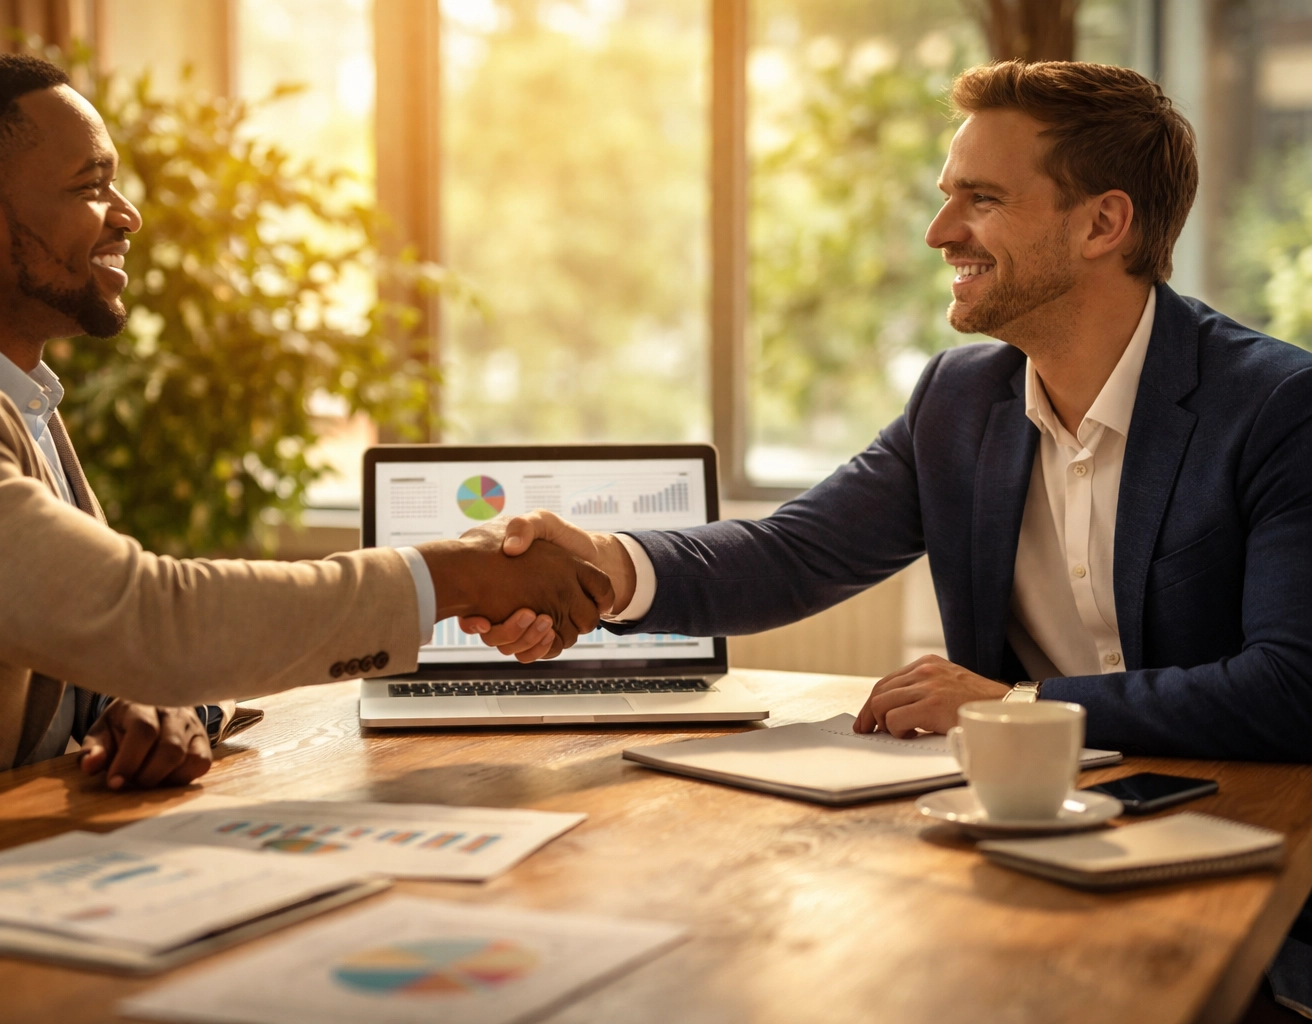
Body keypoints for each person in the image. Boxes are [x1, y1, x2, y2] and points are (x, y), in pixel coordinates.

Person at [467, 59, 1312, 1017]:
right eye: (948, 196)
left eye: (981, 199)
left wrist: (1014, 705)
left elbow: (1293, 688)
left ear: (1101, 224)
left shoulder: (1277, 407)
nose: (940, 231)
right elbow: (795, 553)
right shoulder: (959, 402)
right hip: (1022, 856)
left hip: (1245, 872)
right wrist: (603, 568)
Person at [0, 54, 608, 831]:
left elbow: (70, 625)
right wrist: (456, 576)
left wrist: (145, 697)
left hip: (3, 850)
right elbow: (140, 615)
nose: (128, 215)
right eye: (90, 185)